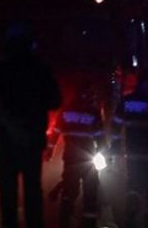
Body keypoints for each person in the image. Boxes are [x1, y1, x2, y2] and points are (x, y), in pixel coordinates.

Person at [0, 22, 62, 228]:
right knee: (32, 192)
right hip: (31, 140)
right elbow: (55, 100)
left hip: (5, 141)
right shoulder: (40, 69)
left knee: (7, 193)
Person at [112, 73, 148, 228]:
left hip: (135, 153)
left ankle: (130, 221)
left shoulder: (127, 101)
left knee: (134, 188)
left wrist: (115, 149)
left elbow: (116, 127)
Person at [48, 83, 105, 228]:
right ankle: (89, 223)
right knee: (90, 193)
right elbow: (100, 138)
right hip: (88, 158)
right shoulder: (93, 113)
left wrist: (50, 150)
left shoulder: (66, 111)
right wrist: (105, 156)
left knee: (69, 190)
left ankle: (64, 221)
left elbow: (55, 132)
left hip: (70, 157)